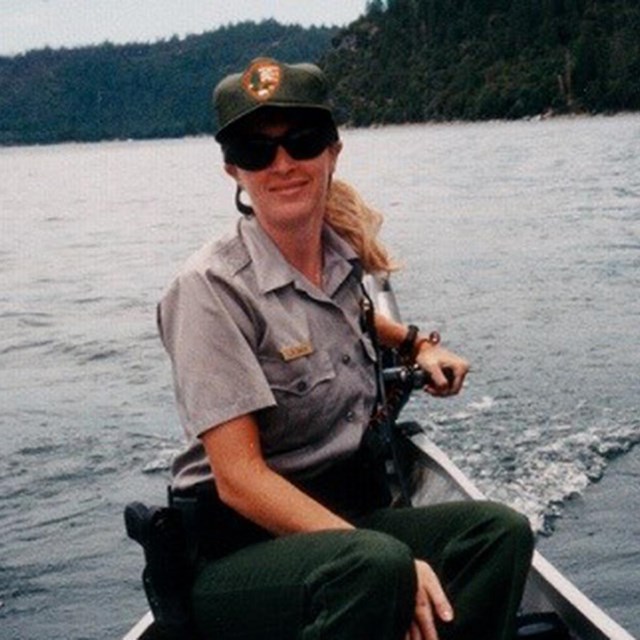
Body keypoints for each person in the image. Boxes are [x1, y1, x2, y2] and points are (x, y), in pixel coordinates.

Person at [157, 57, 534, 640]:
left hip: (347, 518)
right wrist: (379, 554)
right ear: (234, 169)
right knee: (378, 565)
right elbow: (237, 479)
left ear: (333, 153)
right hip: (237, 556)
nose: (282, 164)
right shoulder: (210, 289)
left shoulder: (340, 264)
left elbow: (347, 316)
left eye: (302, 142)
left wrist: (417, 344)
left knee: (498, 535)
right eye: (257, 152)